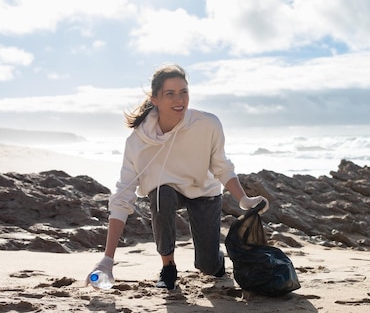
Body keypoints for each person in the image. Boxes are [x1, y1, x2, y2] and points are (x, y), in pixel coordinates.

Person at [86, 63, 268, 291]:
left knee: (208, 266)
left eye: (184, 92)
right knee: (161, 192)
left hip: (204, 191)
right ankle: (168, 267)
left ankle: (215, 261)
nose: (179, 100)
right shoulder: (138, 142)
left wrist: (244, 199)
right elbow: (122, 196)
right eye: (170, 94)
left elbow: (222, 167)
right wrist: (107, 259)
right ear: (155, 99)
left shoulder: (207, 124)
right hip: (167, 191)